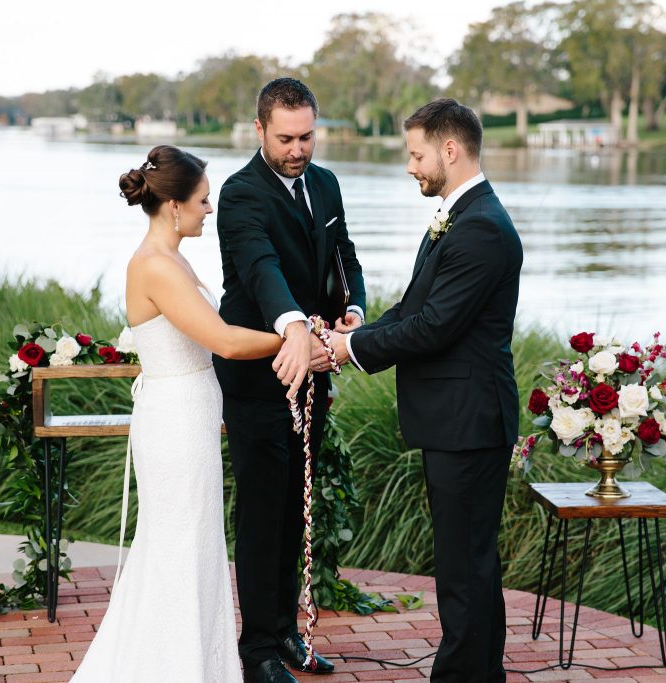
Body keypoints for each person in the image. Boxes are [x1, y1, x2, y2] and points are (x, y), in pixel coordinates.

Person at [323, 98, 522, 683]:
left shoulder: (481, 227)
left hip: (469, 420)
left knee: (464, 568)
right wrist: (361, 330)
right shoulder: (459, 217)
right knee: (469, 565)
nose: (411, 166)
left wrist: (347, 352)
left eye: (417, 154)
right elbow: (415, 307)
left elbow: (435, 328)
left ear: (450, 149)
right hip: (458, 420)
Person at [71, 145, 284, 683]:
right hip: (175, 423)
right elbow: (225, 342)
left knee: (194, 544)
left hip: (188, 416)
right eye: (203, 200)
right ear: (173, 206)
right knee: (179, 548)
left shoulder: (174, 259)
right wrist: (295, 337)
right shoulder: (157, 267)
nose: (208, 209)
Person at [215, 77, 366, 683]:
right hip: (257, 372)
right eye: (286, 138)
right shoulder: (239, 194)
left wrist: (353, 314)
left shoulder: (326, 183)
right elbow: (260, 267)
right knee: (261, 509)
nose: (298, 149)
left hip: (315, 374)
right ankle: (256, 652)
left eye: (307, 136)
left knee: (297, 507)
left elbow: (343, 256)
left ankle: (287, 634)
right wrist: (296, 327)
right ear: (259, 130)